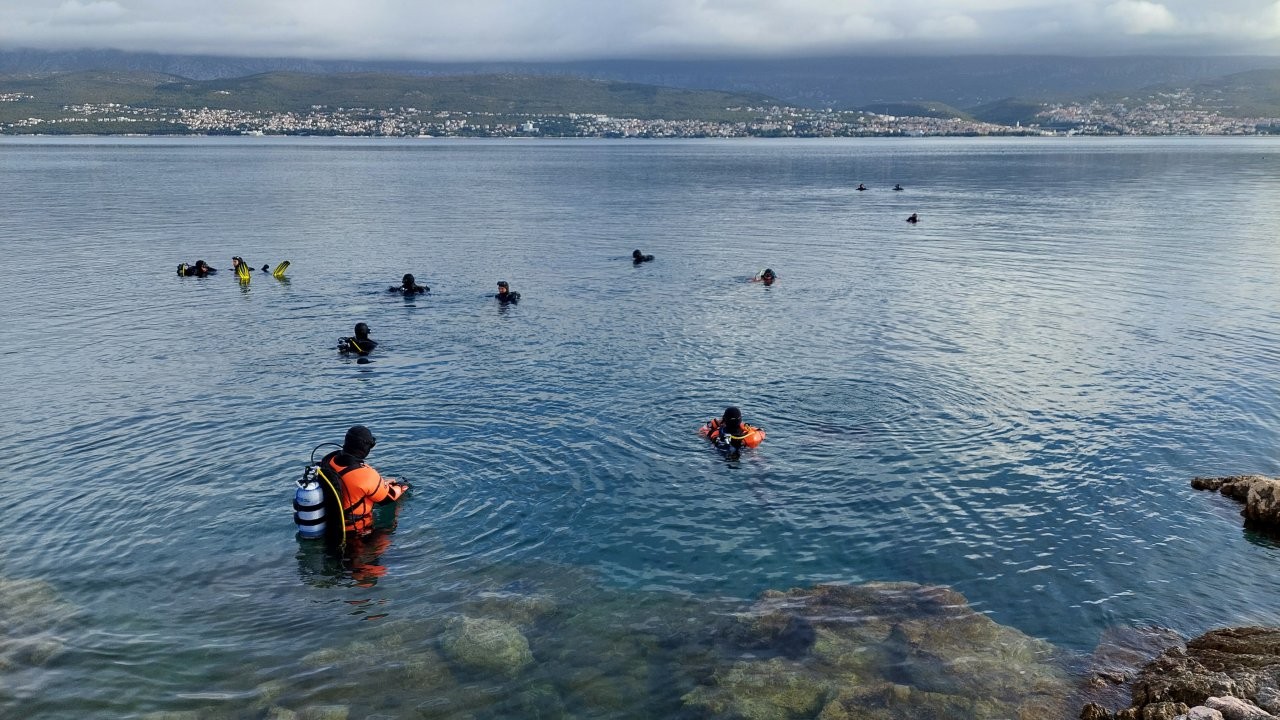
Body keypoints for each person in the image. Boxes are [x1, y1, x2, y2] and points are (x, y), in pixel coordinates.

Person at [317, 426, 409, 539]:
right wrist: (402, 485)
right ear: (365, 448)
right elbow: (390, 497)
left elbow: (350, 483)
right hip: (356, 535)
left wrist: (380, 483)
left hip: (330, 527)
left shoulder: (329, 460)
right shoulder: (366, 475)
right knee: (391, 530)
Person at [700, 406, 766, 454]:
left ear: (724, 420)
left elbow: (702, 431)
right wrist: (744, 425)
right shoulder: (749, 434)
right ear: (740, 420)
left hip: (722, 455)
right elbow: (762, 432)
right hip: (745, 451)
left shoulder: (716, 433)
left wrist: (717, 422)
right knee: (753, 455)